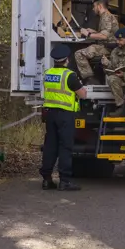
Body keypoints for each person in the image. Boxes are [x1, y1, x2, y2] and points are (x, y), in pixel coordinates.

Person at [41, 45, 87, 191]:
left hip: (50, 114)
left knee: (50, 146)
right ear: (67, 59)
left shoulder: (47, 73)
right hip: (65, 115)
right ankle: (64, 181)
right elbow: (83, 95)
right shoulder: (70, 75)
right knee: (65, 147)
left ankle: (47, 179)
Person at [75, 0, 120, 85]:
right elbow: (107, 33)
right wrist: (94, 32)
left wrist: (88, 34)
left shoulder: (106, 17)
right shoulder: (106, 16)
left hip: (108, 48)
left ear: (99, 6)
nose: (93, 9)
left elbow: (104, 36)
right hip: (107, 46)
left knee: (79, 54)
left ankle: (90, 80)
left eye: (94, 6)